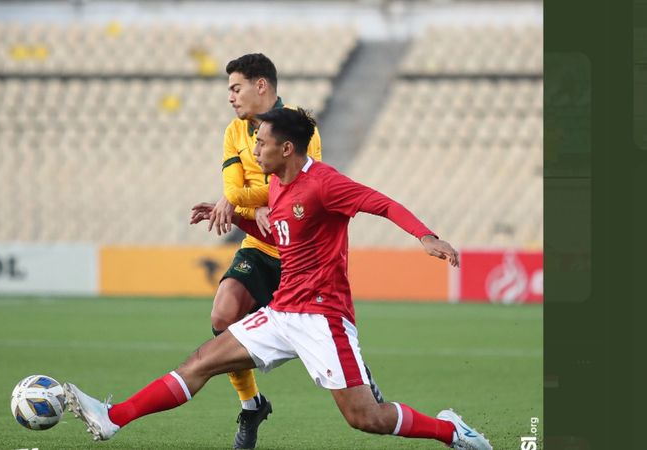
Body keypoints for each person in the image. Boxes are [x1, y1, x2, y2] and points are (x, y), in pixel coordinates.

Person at [64, 108, 492, 450]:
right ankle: (113, 418)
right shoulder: (275, 186)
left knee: (367, 419)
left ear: (287, 148)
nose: (255, 149)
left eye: (262, 143)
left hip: (324, 317)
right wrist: (238, 220)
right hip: (283, 311)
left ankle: (451, 432)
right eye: (254, 141)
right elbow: (279, 235)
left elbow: (381, 203)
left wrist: (426, 236)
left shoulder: (325, 184)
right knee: (199, 362)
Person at [206, 53, 383, 449]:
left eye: (236, 88)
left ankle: (357, 372)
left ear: (261, 86)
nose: (231, 97)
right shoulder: (233, 131)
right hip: (258, 242)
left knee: (312, 334)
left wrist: (247, 201)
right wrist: (249, 205)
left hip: (297, 250)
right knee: (222, 313)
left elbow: (302, 186)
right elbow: (234, 190)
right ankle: (252, 405)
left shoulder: (301, 128)